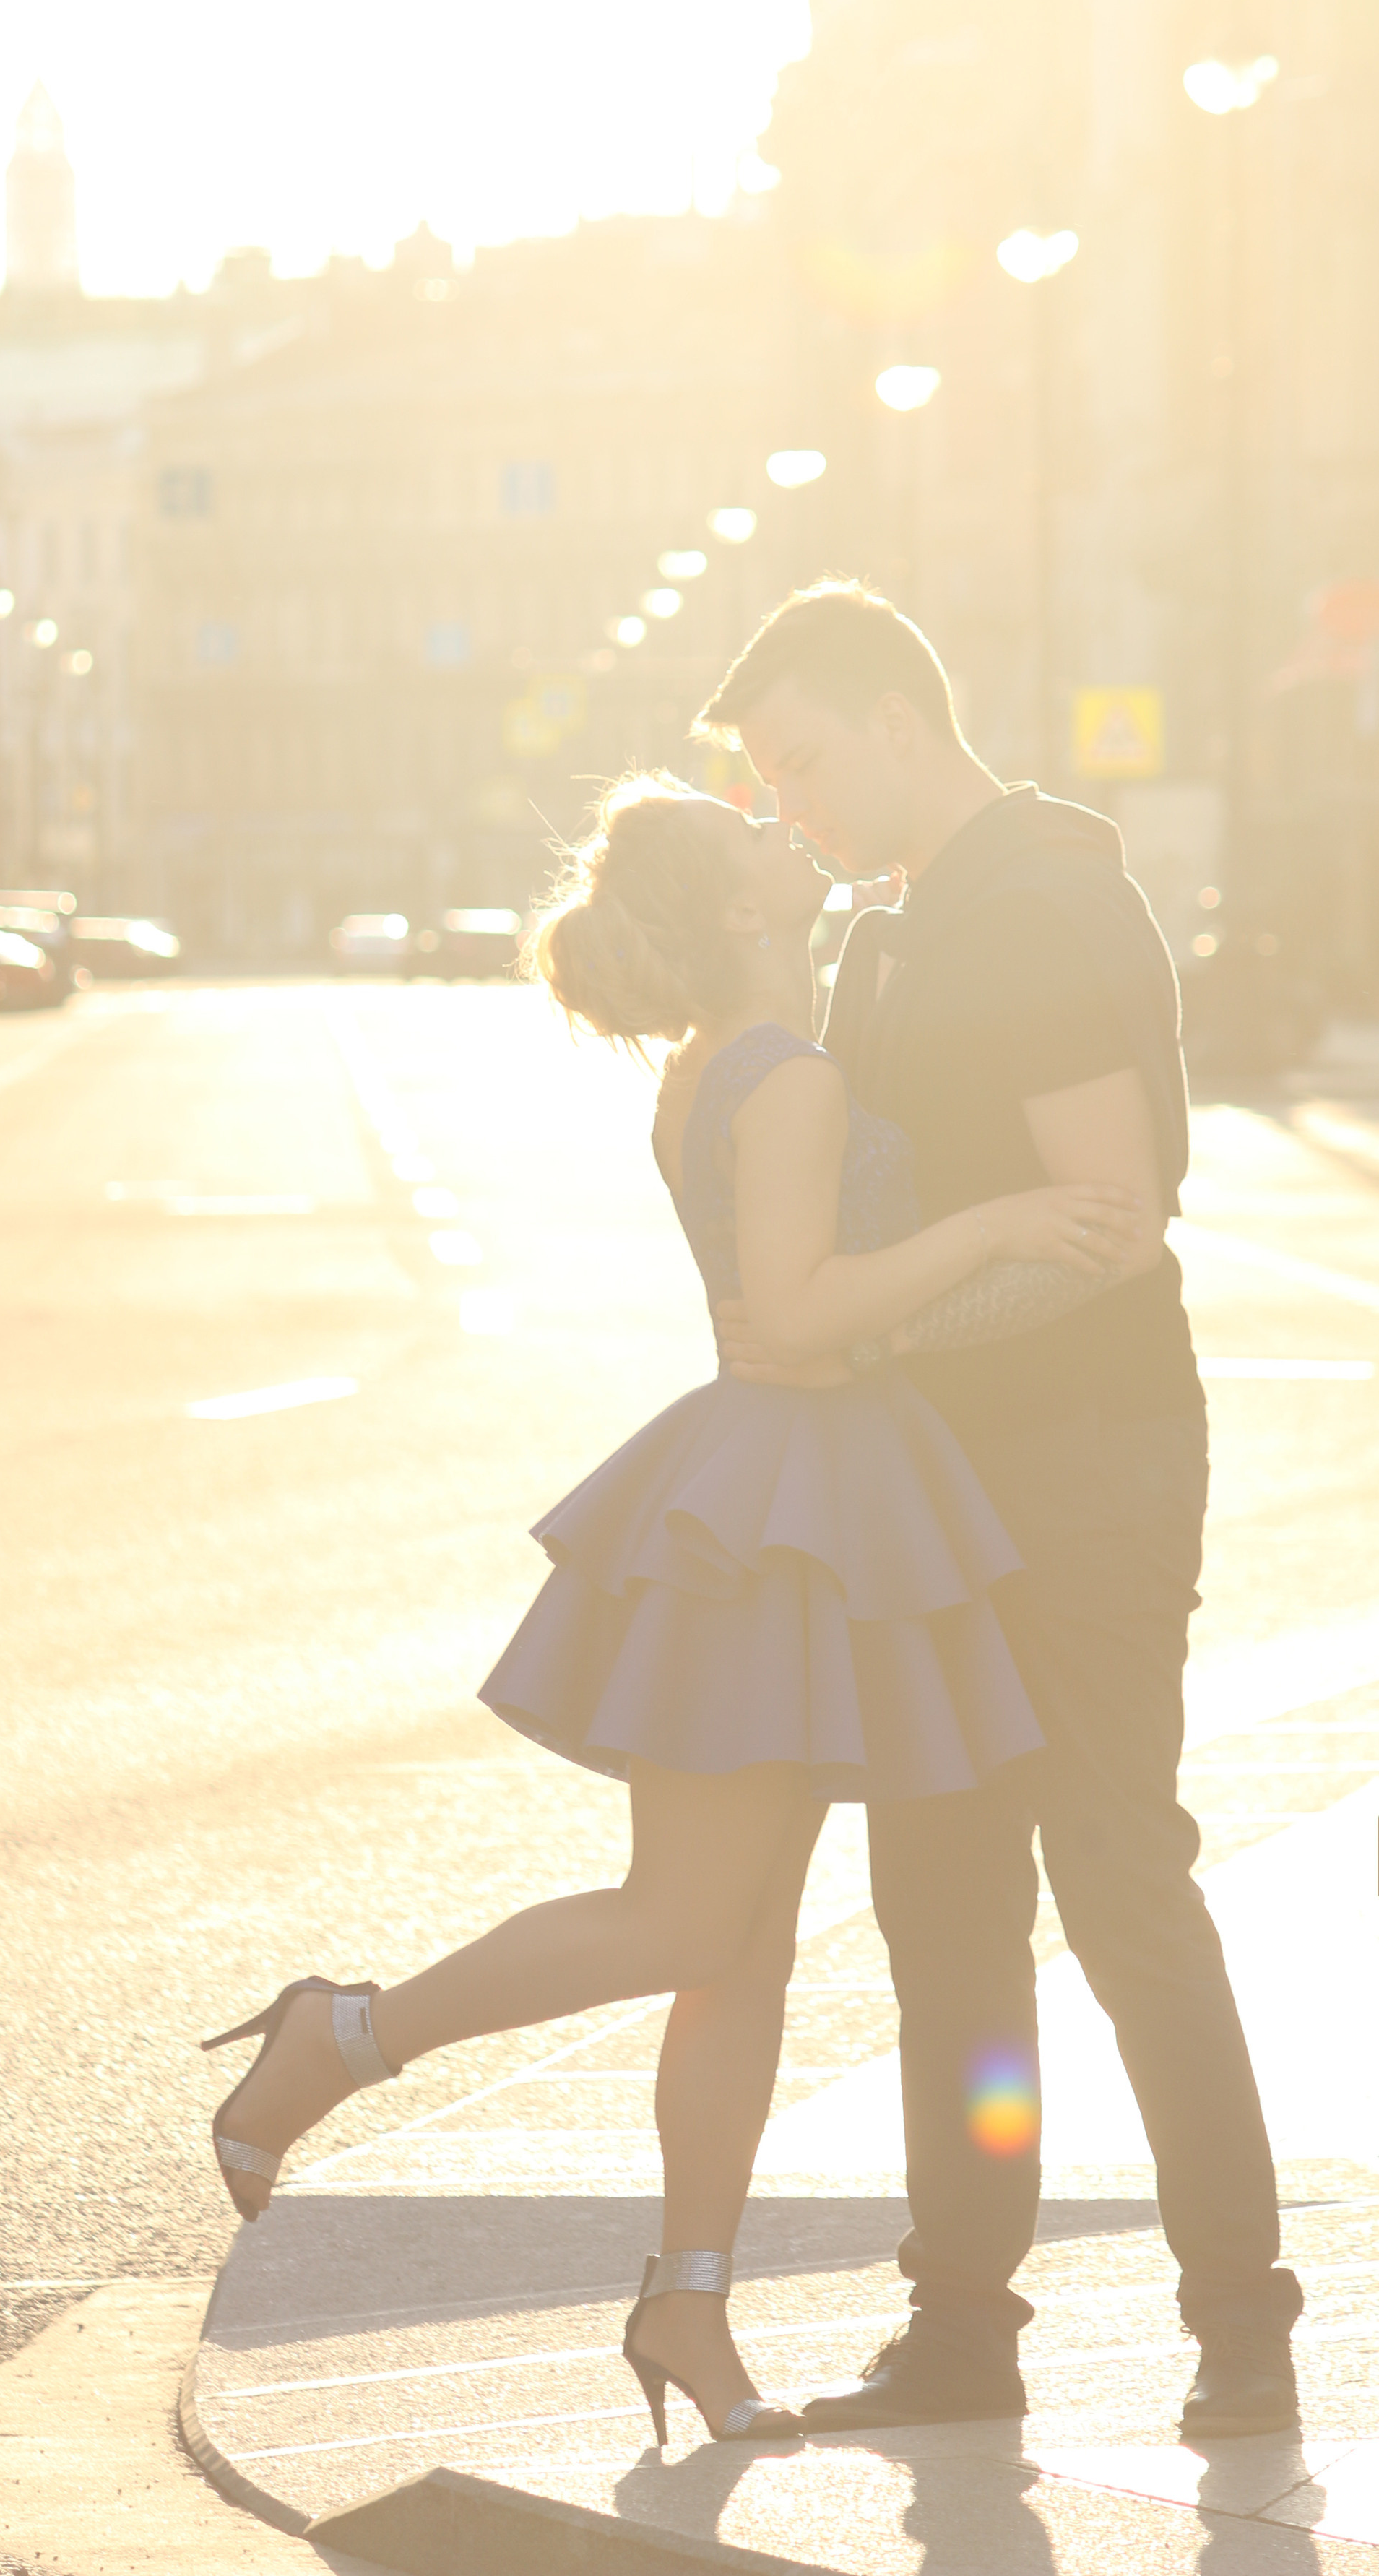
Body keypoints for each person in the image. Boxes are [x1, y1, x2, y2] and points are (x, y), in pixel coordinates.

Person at [201, 772, 1137, 2447]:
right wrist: (995, 1217)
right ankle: (340, 2035)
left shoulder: (729, 1062)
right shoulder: (784, 1071)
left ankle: (689, 2305)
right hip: (783, 1496)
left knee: (744, 1953)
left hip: (789, 1490)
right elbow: (789, 1320)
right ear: (737, 908)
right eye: (756, 833)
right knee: (690, 1922)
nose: (794, 830)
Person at [698, 580, 1303, 2442]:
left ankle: (1242, 2328)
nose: (786, 803)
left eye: (801, 761)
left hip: (1086, 1460)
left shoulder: (1035, 903)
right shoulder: (896, 927)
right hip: (936, 1483)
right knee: (943, 1901)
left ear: (899, 716)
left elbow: (1106, 1222)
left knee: (1118, 1870)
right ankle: (960, 2325)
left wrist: (874, 1336)